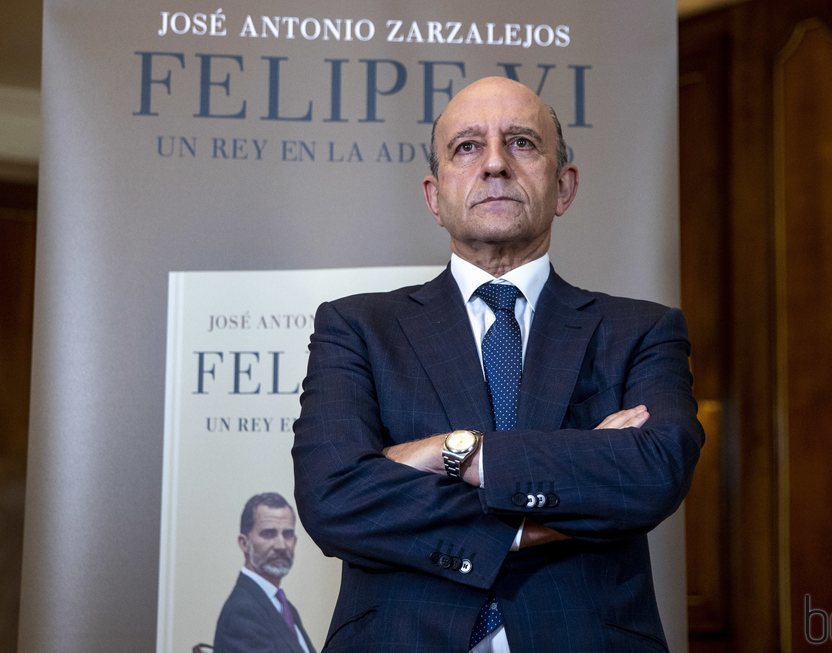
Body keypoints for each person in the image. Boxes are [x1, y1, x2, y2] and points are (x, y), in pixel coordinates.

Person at [292, 76, 704, 652]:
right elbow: (332, 498)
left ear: (564, 187)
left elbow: (652, 473)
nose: (494, 165)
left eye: (521, 143)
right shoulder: (356, 328)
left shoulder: (642, 331)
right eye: (467, 147)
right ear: (434, 198)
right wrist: (542, 513)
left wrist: (452, 452)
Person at [214, 492, 316, 653]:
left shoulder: (283, 606)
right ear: (244, 543)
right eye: (269, 534)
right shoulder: (242, 613)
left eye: (287, 534)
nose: (281, 545)